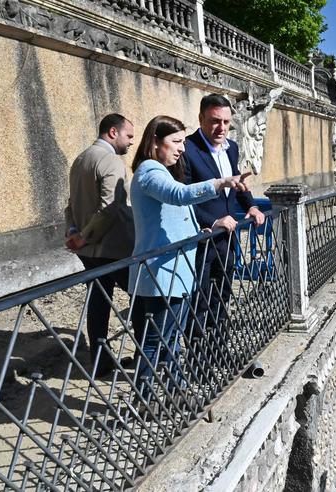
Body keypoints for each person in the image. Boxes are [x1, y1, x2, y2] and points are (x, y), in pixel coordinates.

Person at [128, 115, 249, 399]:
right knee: (155, 340)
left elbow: (176, 216)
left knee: (169, 338)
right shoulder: (149, 171)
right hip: (162, 272)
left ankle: (177, 391)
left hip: (175, 271)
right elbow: (178, 196)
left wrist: (206, 227)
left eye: (183, 141)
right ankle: (142, 398)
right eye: (176, 142)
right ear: (155, 142)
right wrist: (221, 183)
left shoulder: (160, 171)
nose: (182, 148)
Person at [64, 113, 144, 377]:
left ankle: (99, 362)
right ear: (113, 132)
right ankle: (146, 358)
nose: (131, 142)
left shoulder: (80, 159)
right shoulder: (110, 160)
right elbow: (109, 209)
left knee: (98, 303)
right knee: (141, 300)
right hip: (111, 247)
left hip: (88, 250)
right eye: (129, 136)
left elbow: (70, 204)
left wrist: (74, 232)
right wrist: (85, 236)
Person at [183, 94, 265, 334]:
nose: (221, 128)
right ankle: (200, 355)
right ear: (201, 119)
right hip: (202, 237)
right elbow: (182, 197)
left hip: (228, 238)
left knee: (223, 292)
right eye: (215, 121)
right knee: (200, 297)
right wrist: (212, 220)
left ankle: (219, 345)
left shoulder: (232, 148)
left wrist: (251, 205)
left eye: (226, 122)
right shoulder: (187, 149)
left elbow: (236, 181)